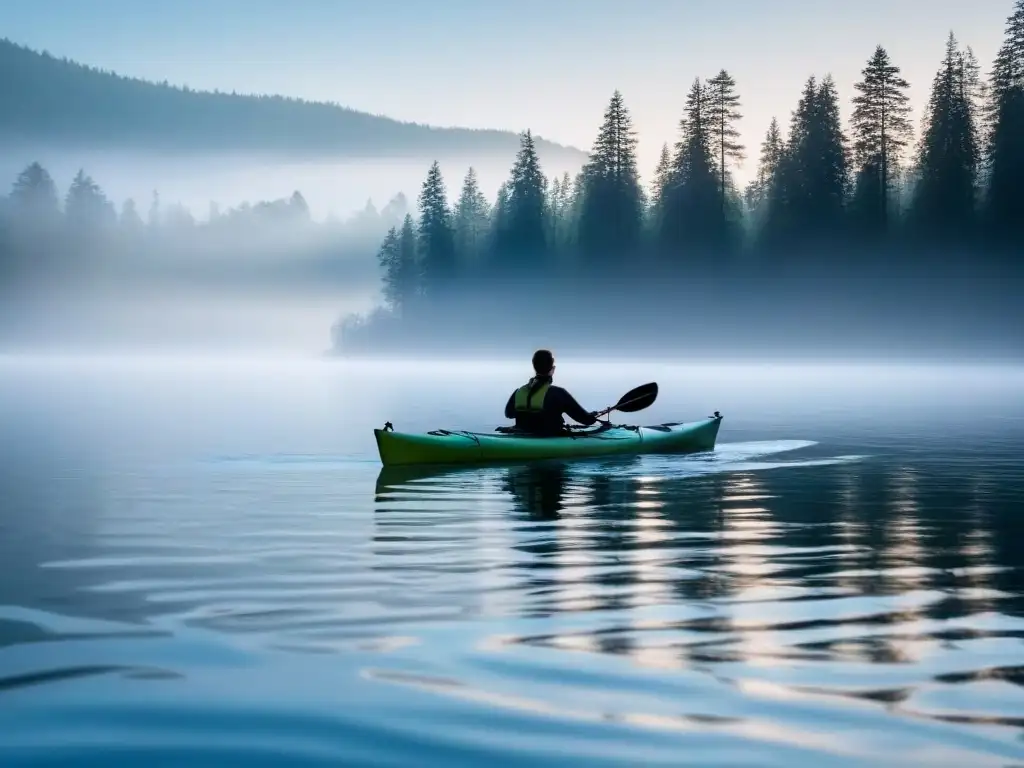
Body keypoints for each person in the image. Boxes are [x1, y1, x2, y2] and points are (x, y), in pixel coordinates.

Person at [504, 349, 601, 436]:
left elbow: (509, 414)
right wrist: (592, 417)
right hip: (550, 437)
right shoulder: (558, 393)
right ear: (552, 369)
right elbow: (586, 420)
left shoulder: (519, 391)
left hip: (521, 434)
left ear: (534, 367)